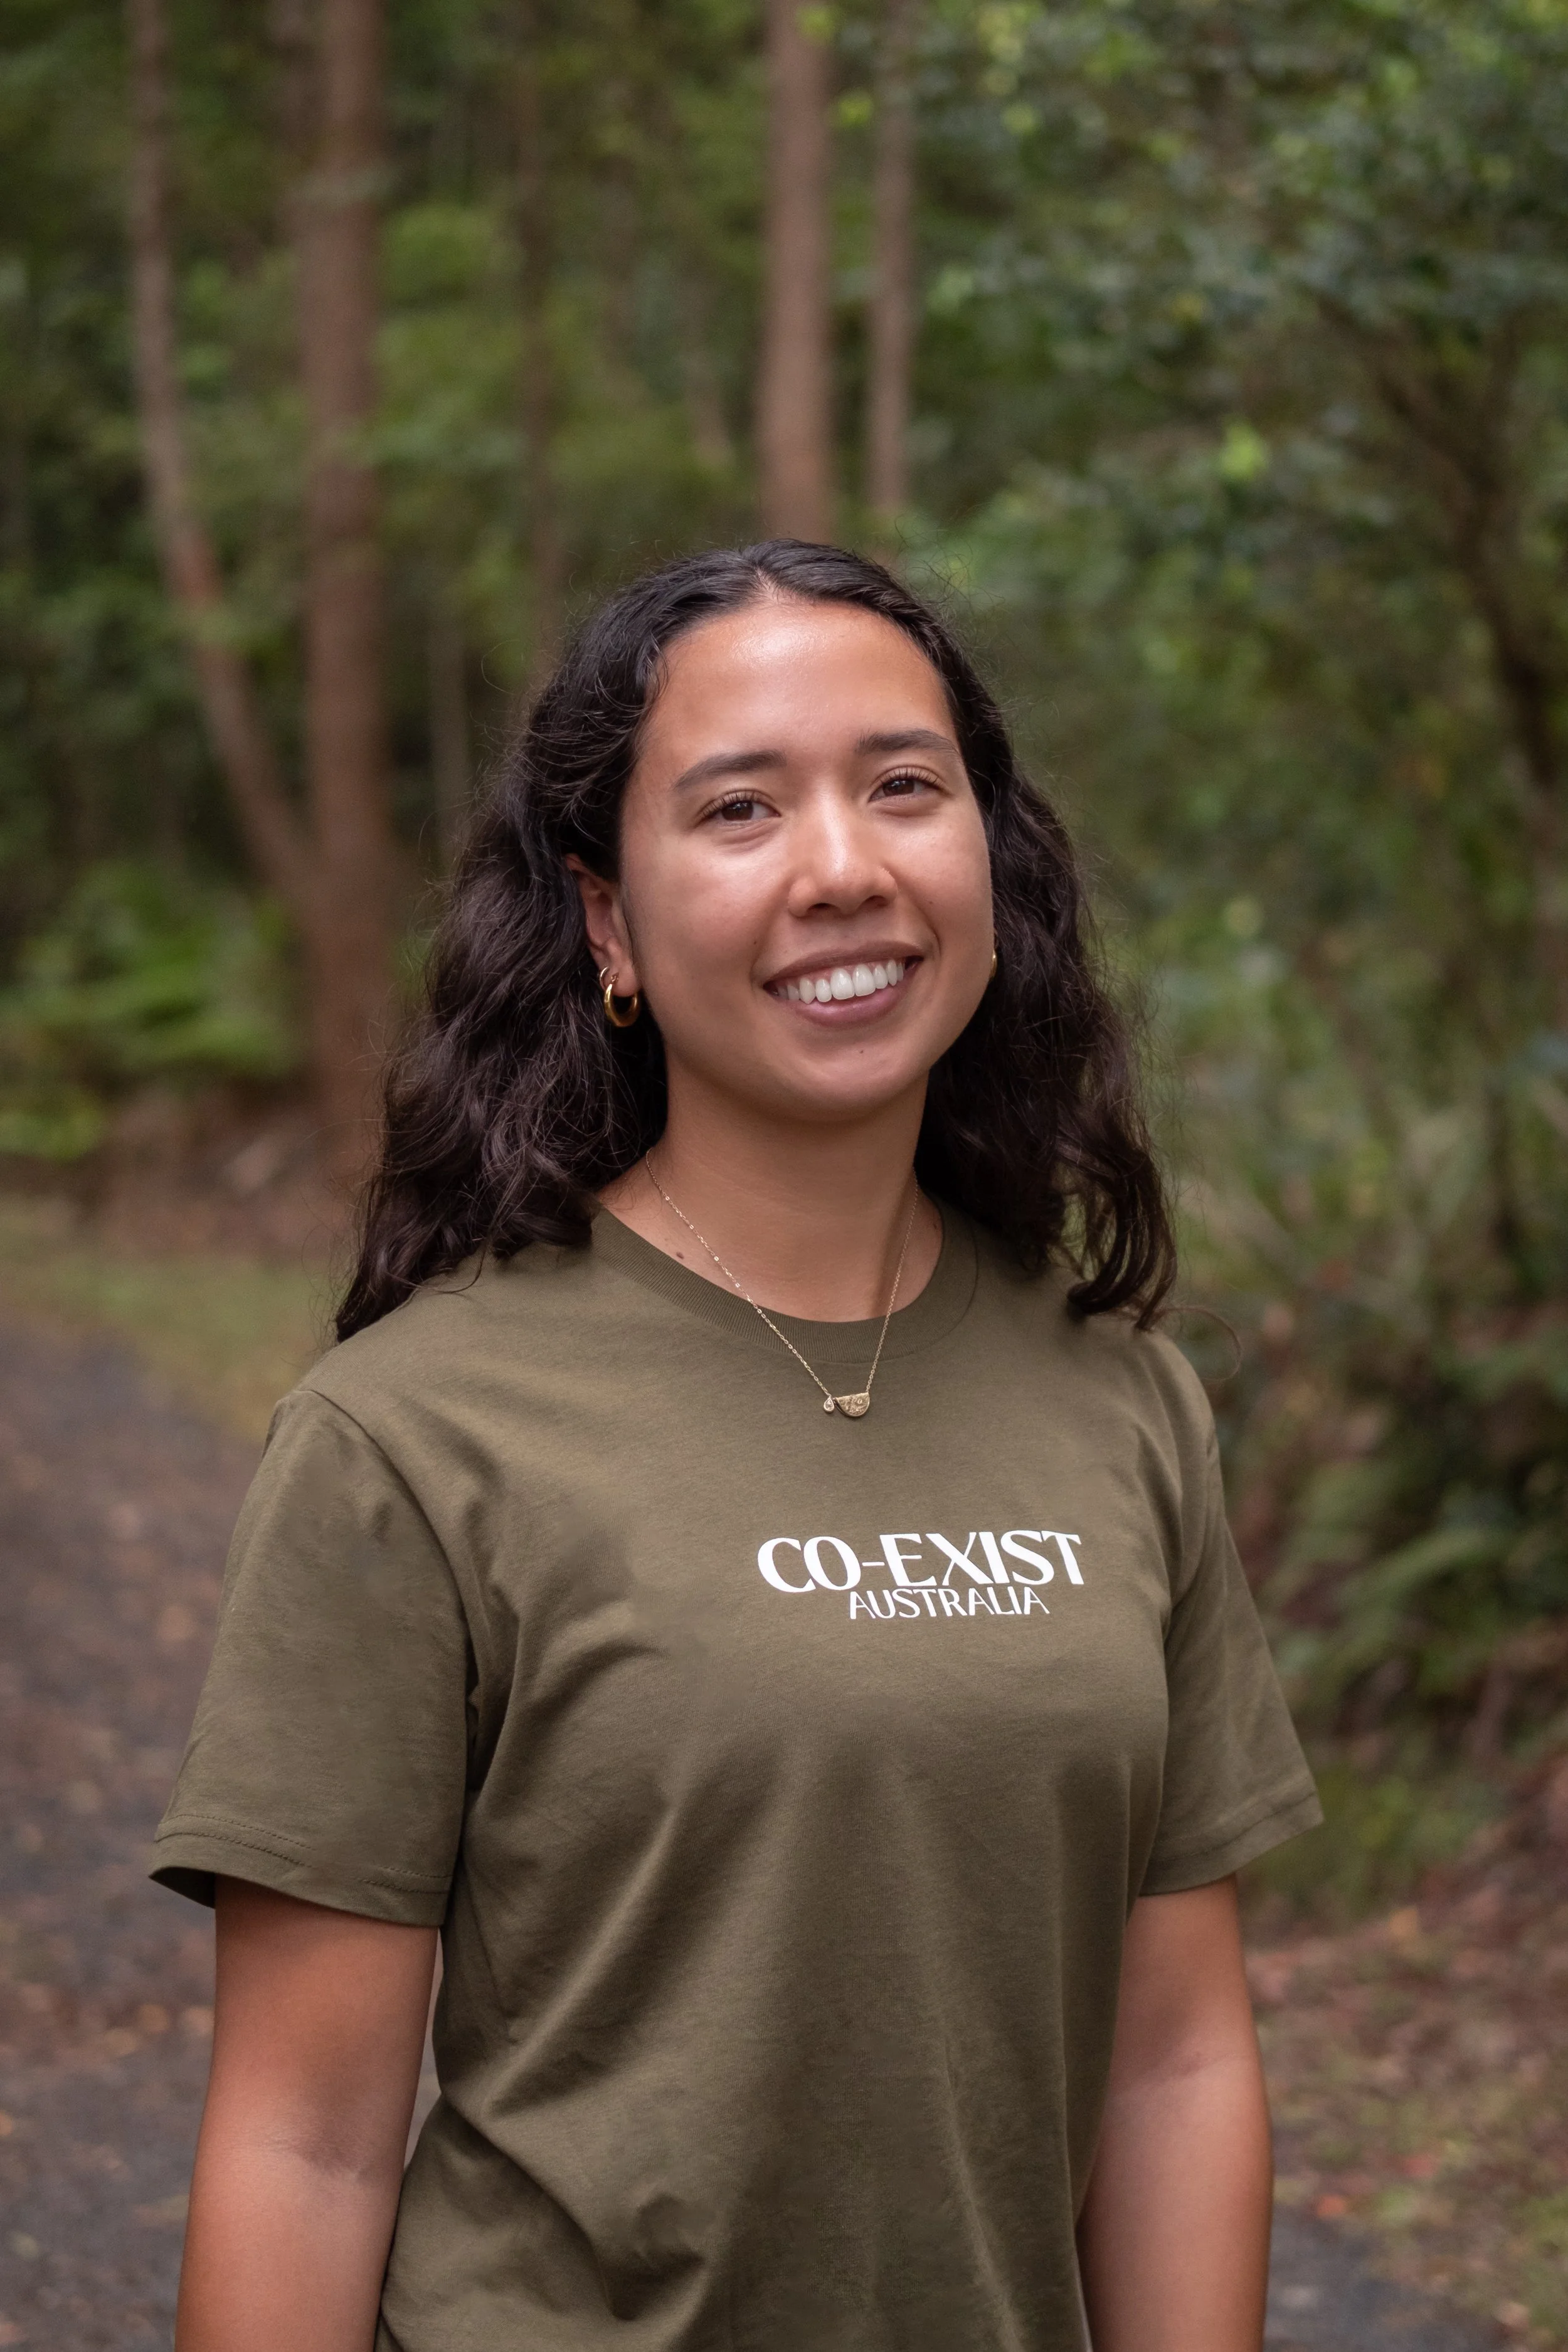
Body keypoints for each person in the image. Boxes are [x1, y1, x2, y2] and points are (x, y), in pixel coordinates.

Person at [153, 539, 1321, 2352]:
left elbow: (1166, 2062)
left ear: (984, 859)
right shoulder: (413, 1436)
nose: (841, 869)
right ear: (607, 920)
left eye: (901, 787)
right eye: (737, 808)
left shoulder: (1118, 1398)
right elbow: (305, 2141)